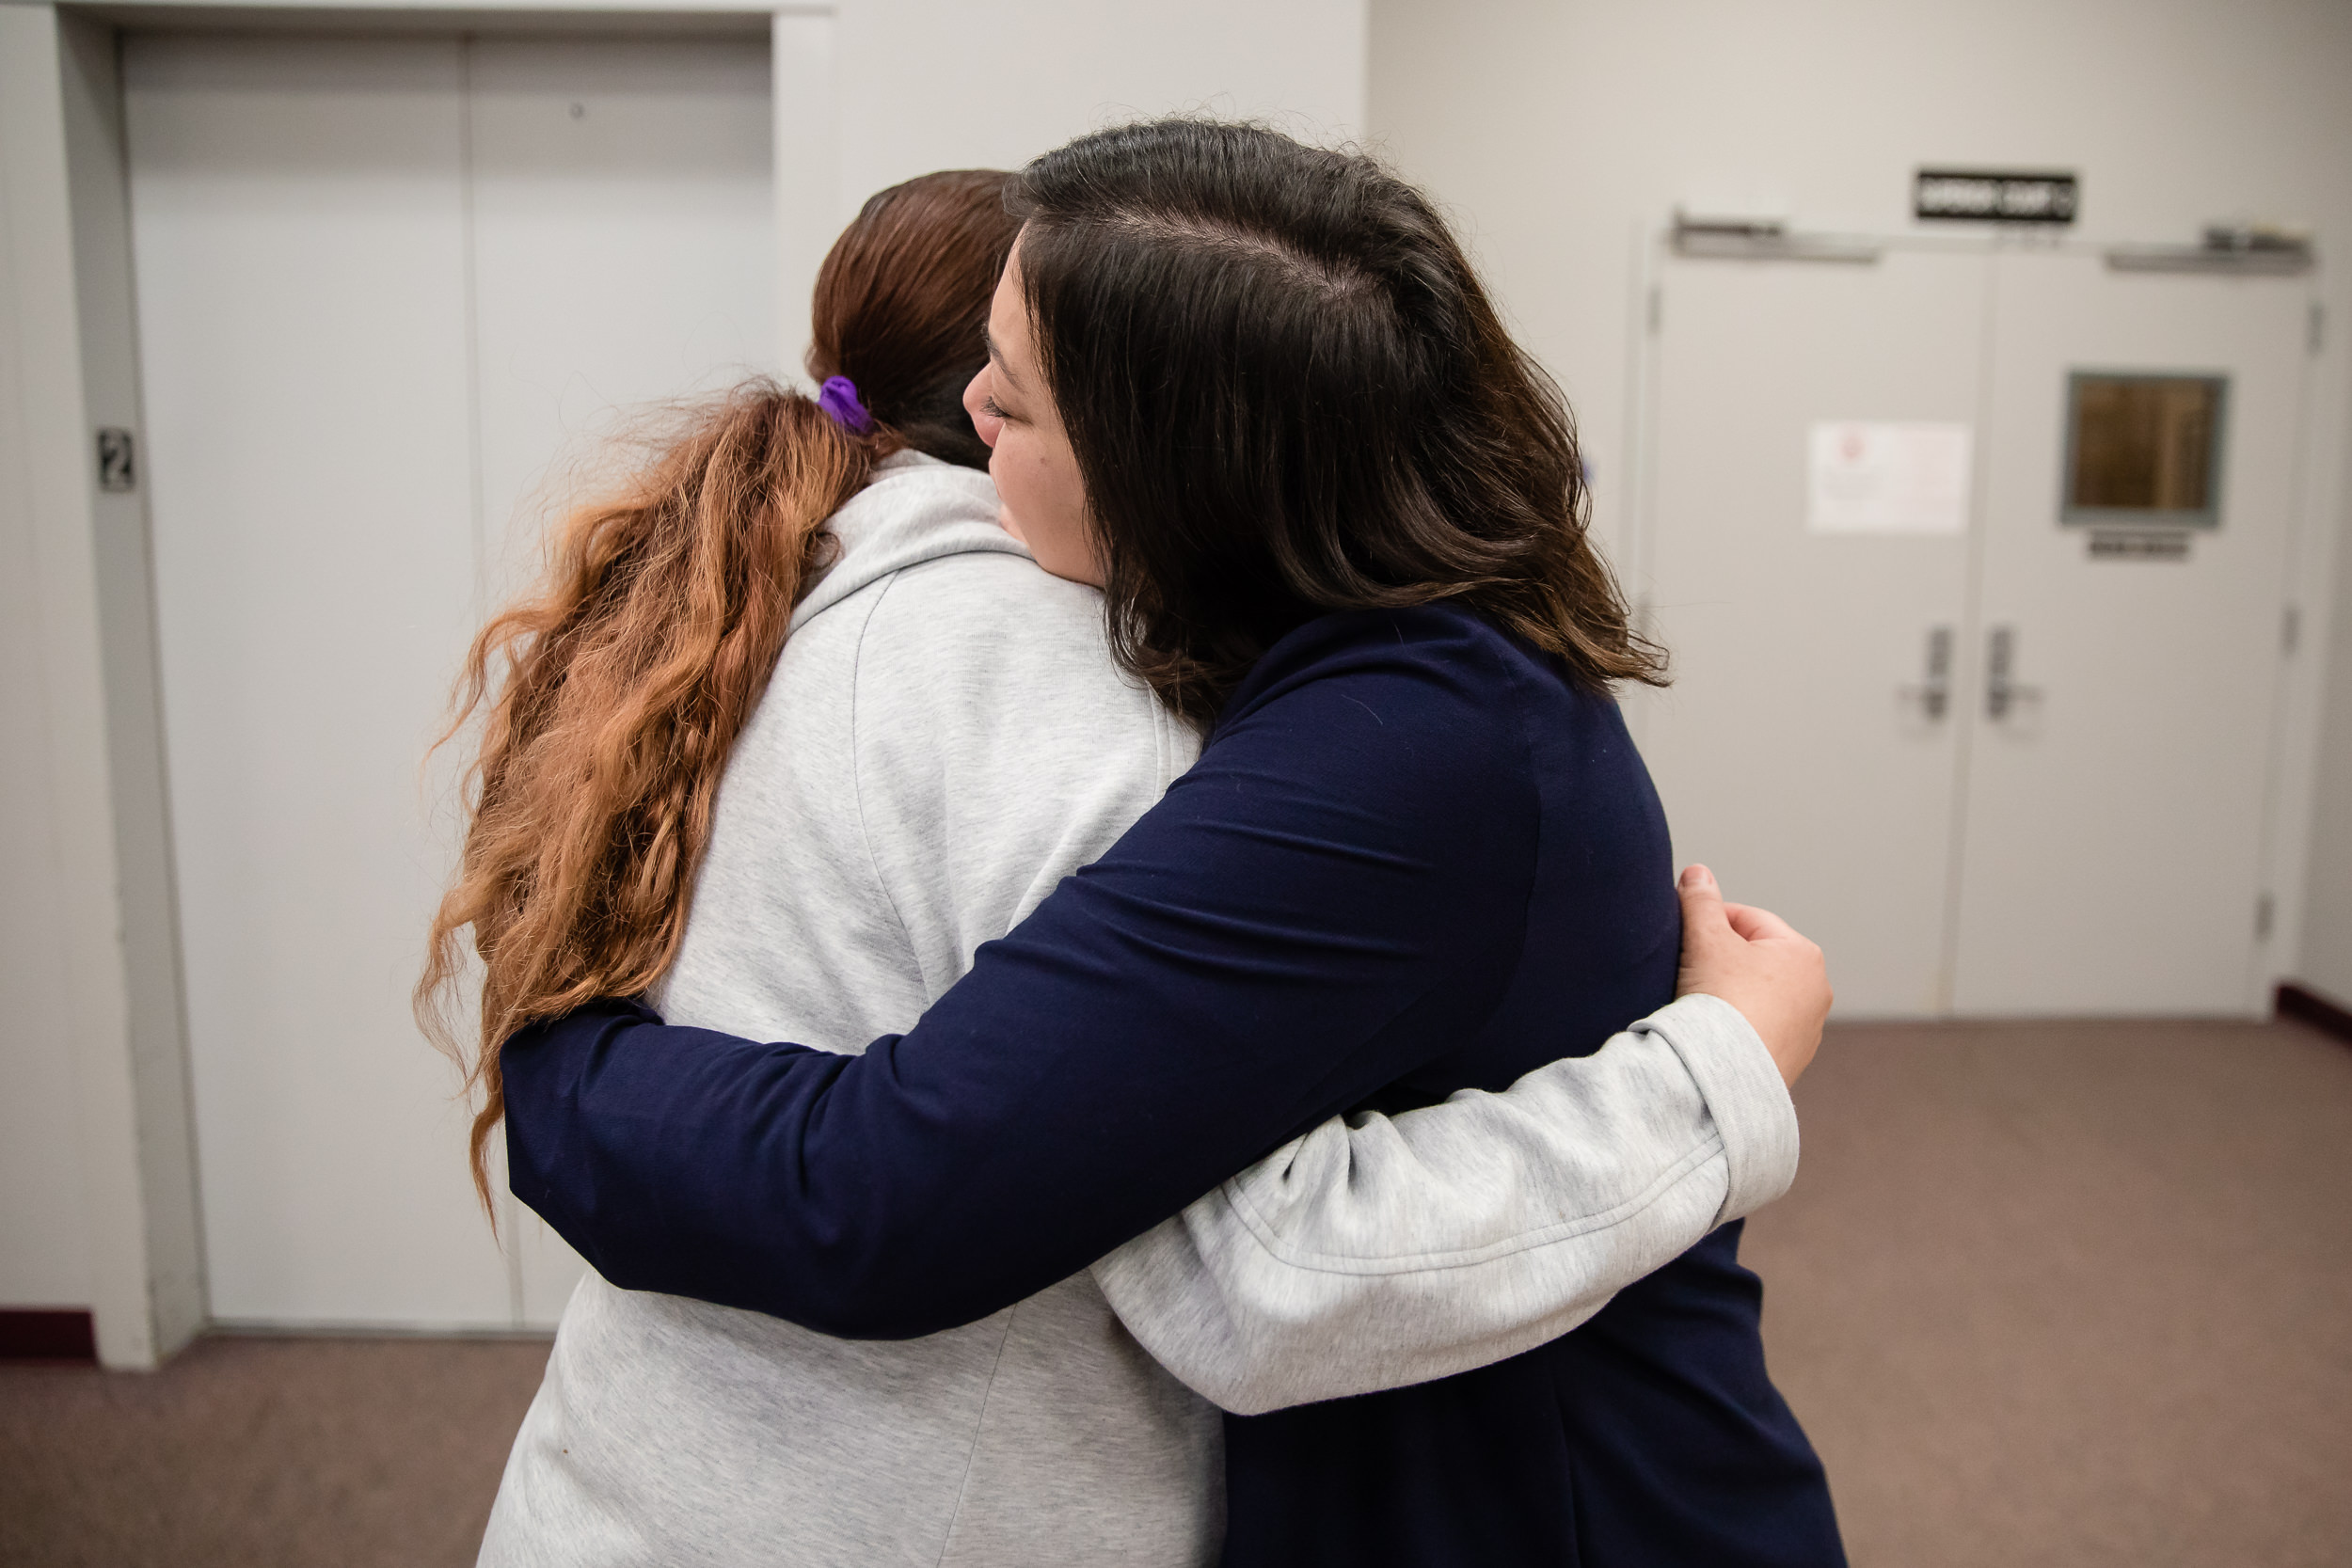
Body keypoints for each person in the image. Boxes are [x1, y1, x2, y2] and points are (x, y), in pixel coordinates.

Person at [449, 146, 1837, 1568]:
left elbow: (955, 1202)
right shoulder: (1349, 629)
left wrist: (568, 1074)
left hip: (1572, 1515)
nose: (966, 418)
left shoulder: (1387, 757)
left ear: (1179, 478)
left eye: (1019, 396)